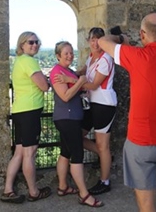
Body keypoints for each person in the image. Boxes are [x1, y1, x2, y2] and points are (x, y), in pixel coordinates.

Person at [98, 13, 156, 212]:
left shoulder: (136, 56)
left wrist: (122, 40)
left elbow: (103, 41)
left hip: (141, 141)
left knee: (146, 202)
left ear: (142, 34)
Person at [55, 28, 117, 195]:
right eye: (92, 39)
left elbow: (93, 85)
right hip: (91, 105)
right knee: (77, 137)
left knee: (103, 145)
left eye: (98, 39)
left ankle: (105, 181)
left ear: (103, 41)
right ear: (89, 41)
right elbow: (83, 72)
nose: (95, 43)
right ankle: (104, 157)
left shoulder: (105, 59)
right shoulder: (91, 57)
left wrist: (70, 80)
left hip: (104, 105)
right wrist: (68, 72)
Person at [50, 41, 104, 208]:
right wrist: (80, 81)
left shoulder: (67, 71)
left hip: (69, 118)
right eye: (66, 53)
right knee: (77, 156)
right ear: (58, 55)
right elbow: (65, 96)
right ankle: (84, 194)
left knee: (65, 153)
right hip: (68, 119)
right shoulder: (57, 72)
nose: (70, 55)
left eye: (71, 52)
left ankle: (62, 187)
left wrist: (78, 76)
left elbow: (77, 79)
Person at [0, 32, 51, 203]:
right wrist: (48, 82)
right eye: (30, 42)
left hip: (19, 111)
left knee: (19, 153)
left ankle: (8, 190)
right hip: (30, 112)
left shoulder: (19, 61)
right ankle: (34, 192)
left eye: (37, 42)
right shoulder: (29, 61)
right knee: (30, 153)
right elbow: (43, 86)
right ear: (22, 44)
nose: (35, 45)